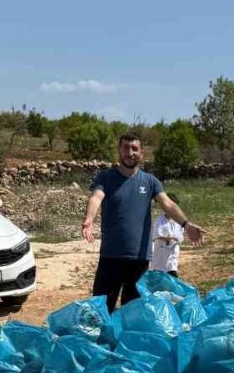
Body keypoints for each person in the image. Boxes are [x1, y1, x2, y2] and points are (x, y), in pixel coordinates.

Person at [82, 132, 204, 312]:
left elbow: (167, 204)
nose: (130, 152)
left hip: (139, 260)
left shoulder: (150, 181)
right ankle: (100, 340)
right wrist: (89, 219)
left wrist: (186, 224)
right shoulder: (106, 177)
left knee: (133, 312)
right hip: (111, 256)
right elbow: (96, 197)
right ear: (119, 151)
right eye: (125, 148)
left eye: (134, 149)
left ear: (142, 154)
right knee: (100, 310)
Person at [149, 192, 185, 273]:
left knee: (172, 272)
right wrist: (167, 238)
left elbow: (180, 236)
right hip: (161, 255)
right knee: (159, 275)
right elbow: (156, 234)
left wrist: (175, 239)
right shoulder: (159, 221)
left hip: (172, 254)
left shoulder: (178, 222)